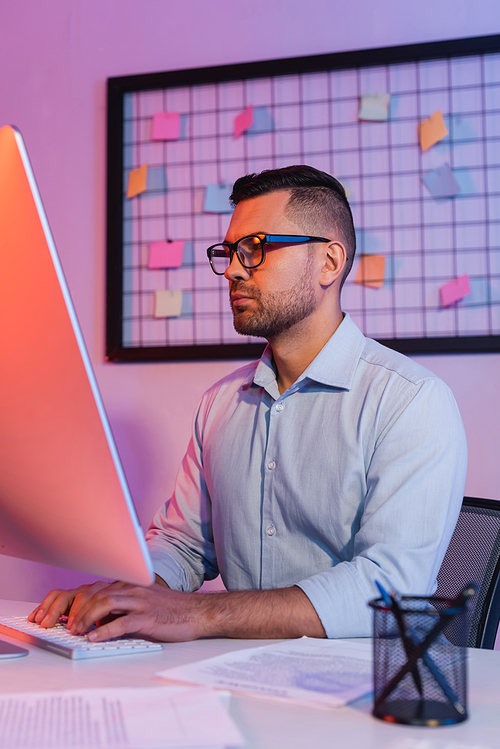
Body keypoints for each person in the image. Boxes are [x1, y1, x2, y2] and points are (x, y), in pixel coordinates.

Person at [29, 165, 467, 643]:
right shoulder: (221, 402)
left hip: (361, 692)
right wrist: (127, 595)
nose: (234, 269)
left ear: (329, 262)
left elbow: (388, 589)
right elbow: (183, 544)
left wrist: (196, 614)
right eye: (230, 252)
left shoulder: (411, 401)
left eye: (255, 248)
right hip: (233, 677)